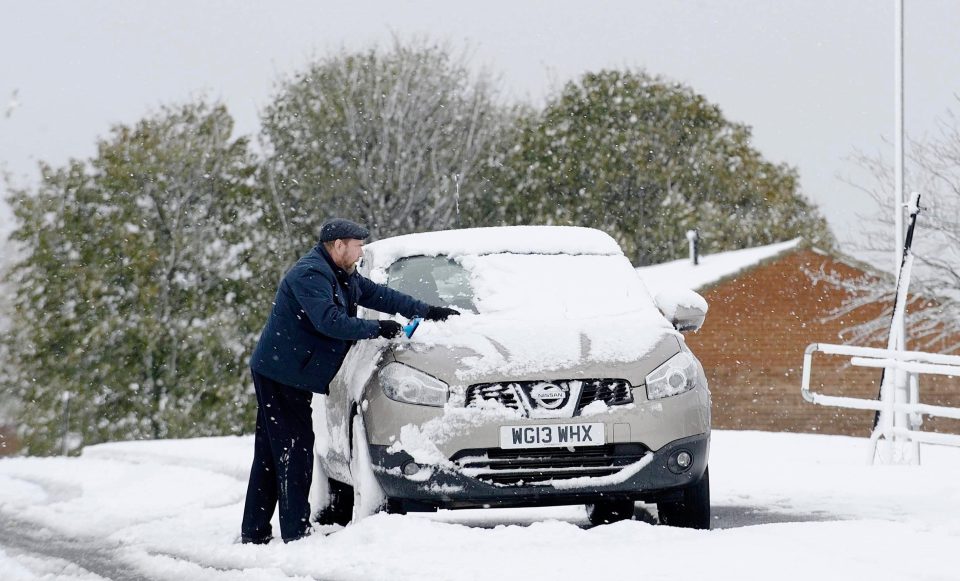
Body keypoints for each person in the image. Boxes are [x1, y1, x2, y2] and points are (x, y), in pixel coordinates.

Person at [240, 218, 459, 544]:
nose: (360, 253)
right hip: (281, 374)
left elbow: (381, 295)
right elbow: (330, 322)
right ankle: (296, 533)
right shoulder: (310, 275)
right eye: (357, 246)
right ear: (338, 245)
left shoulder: (343, 275)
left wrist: (426, 310)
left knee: (272, 453)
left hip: (288, 371)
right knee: (294, 450)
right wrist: (378, 329)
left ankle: (255, 531)